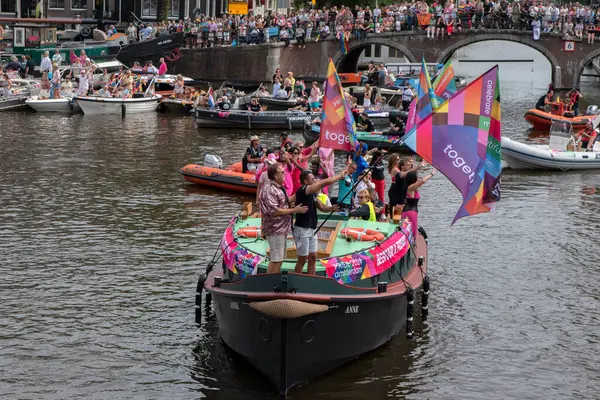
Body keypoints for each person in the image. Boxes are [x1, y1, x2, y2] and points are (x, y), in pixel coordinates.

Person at [293, 169, 346, 275]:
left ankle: (311, 280)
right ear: (306, 181)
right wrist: (339, 176)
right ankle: (296, 279)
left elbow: (321, 207)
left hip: (312, 228)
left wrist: (331, 208)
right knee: (302, 259)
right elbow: (323, 183)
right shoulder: (304, 190)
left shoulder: (312, 194)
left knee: (313, 257)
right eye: (312, 179)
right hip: (302, 230)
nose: (315, 180)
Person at [260, 163, 308, 274]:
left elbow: (285, 202)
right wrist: (294, 210)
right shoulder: (269, 190)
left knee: (280, 259)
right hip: (275, 229)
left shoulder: (279, 188)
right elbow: (275, 211)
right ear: (275, 175)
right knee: (276, 260)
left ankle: (274, 282)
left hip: (282, 229)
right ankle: (269, 284)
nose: (285, 174)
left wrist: (302, 191)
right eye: (282, 172)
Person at [402, 169, 435, 238]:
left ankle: (410, 244)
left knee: (408, 230)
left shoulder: (410, 187)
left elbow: (421, 181)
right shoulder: (411, 188)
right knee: (413, 232)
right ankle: (412, 245)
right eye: (417, 177)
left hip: (410, 211)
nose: (418, 178)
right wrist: (431, 174)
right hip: (411, 213)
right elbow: (422, 182)